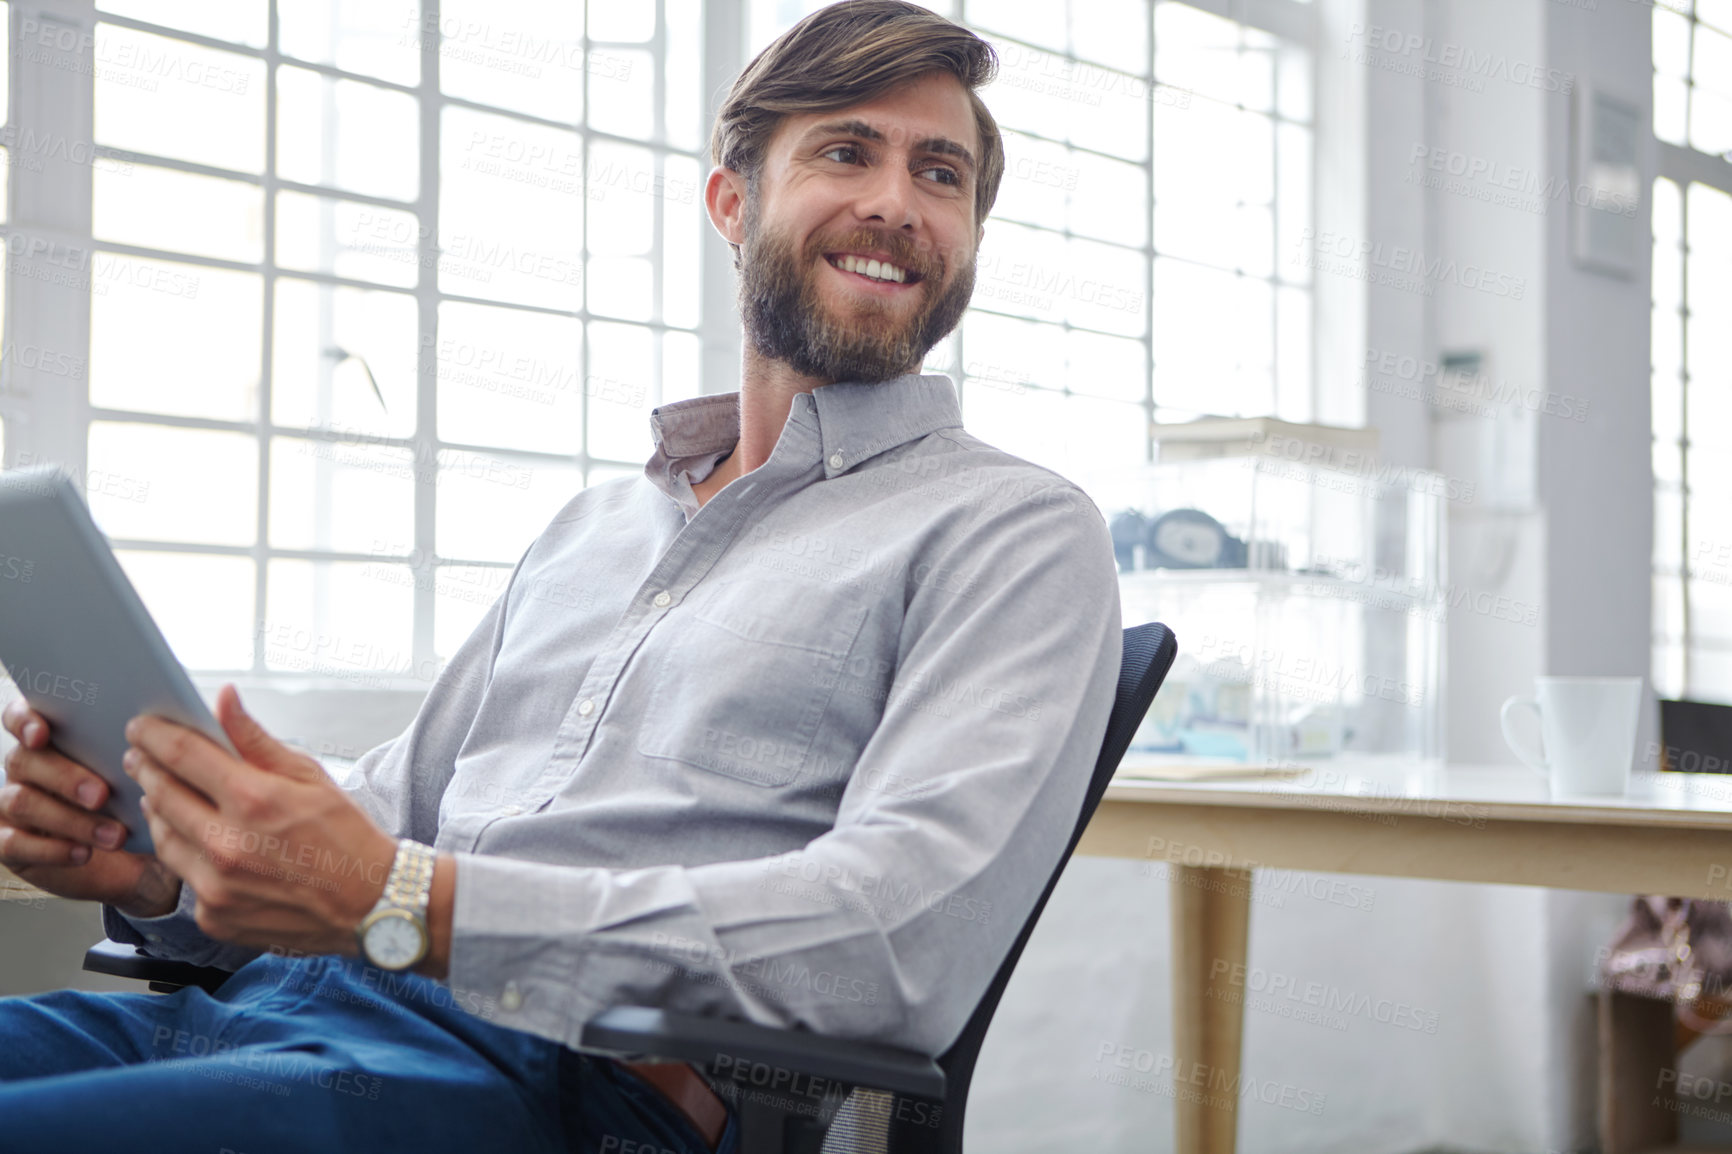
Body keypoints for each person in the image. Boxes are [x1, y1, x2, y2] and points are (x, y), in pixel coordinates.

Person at [0, 2, 1122, 1150]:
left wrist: (404, 902)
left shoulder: (1014, 531)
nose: (895, 201)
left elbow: (892, 946)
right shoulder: (594, 528)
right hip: (275, 1013)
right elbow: (393, 815)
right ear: (732, 205)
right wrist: (161, 869)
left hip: (562, 1090)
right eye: (846, 150)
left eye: (940, 173)